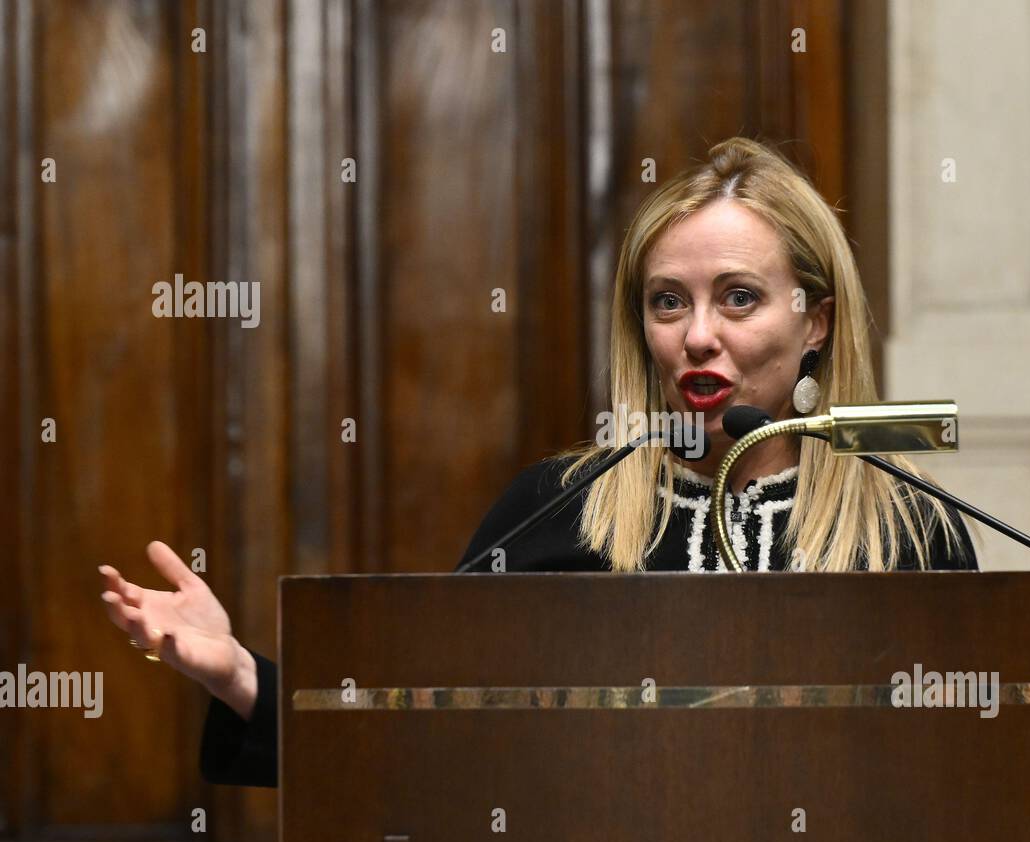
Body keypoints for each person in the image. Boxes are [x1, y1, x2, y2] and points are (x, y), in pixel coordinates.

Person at [97, 137, 978, 789]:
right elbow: (415, 737)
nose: (696, 335)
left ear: (815, 320)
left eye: (738, 298)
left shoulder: (906, 529)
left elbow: (969, 776)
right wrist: (244, 675)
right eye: (667, 302)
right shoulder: (563, 506)